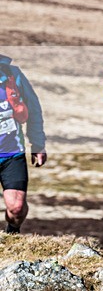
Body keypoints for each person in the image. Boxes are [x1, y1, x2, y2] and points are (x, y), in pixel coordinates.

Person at [0, 55, 47, 234]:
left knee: (17, 208)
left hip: (12, 153)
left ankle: (12, 233)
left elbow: (33, 109)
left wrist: (38, 144)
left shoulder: (13, 75)